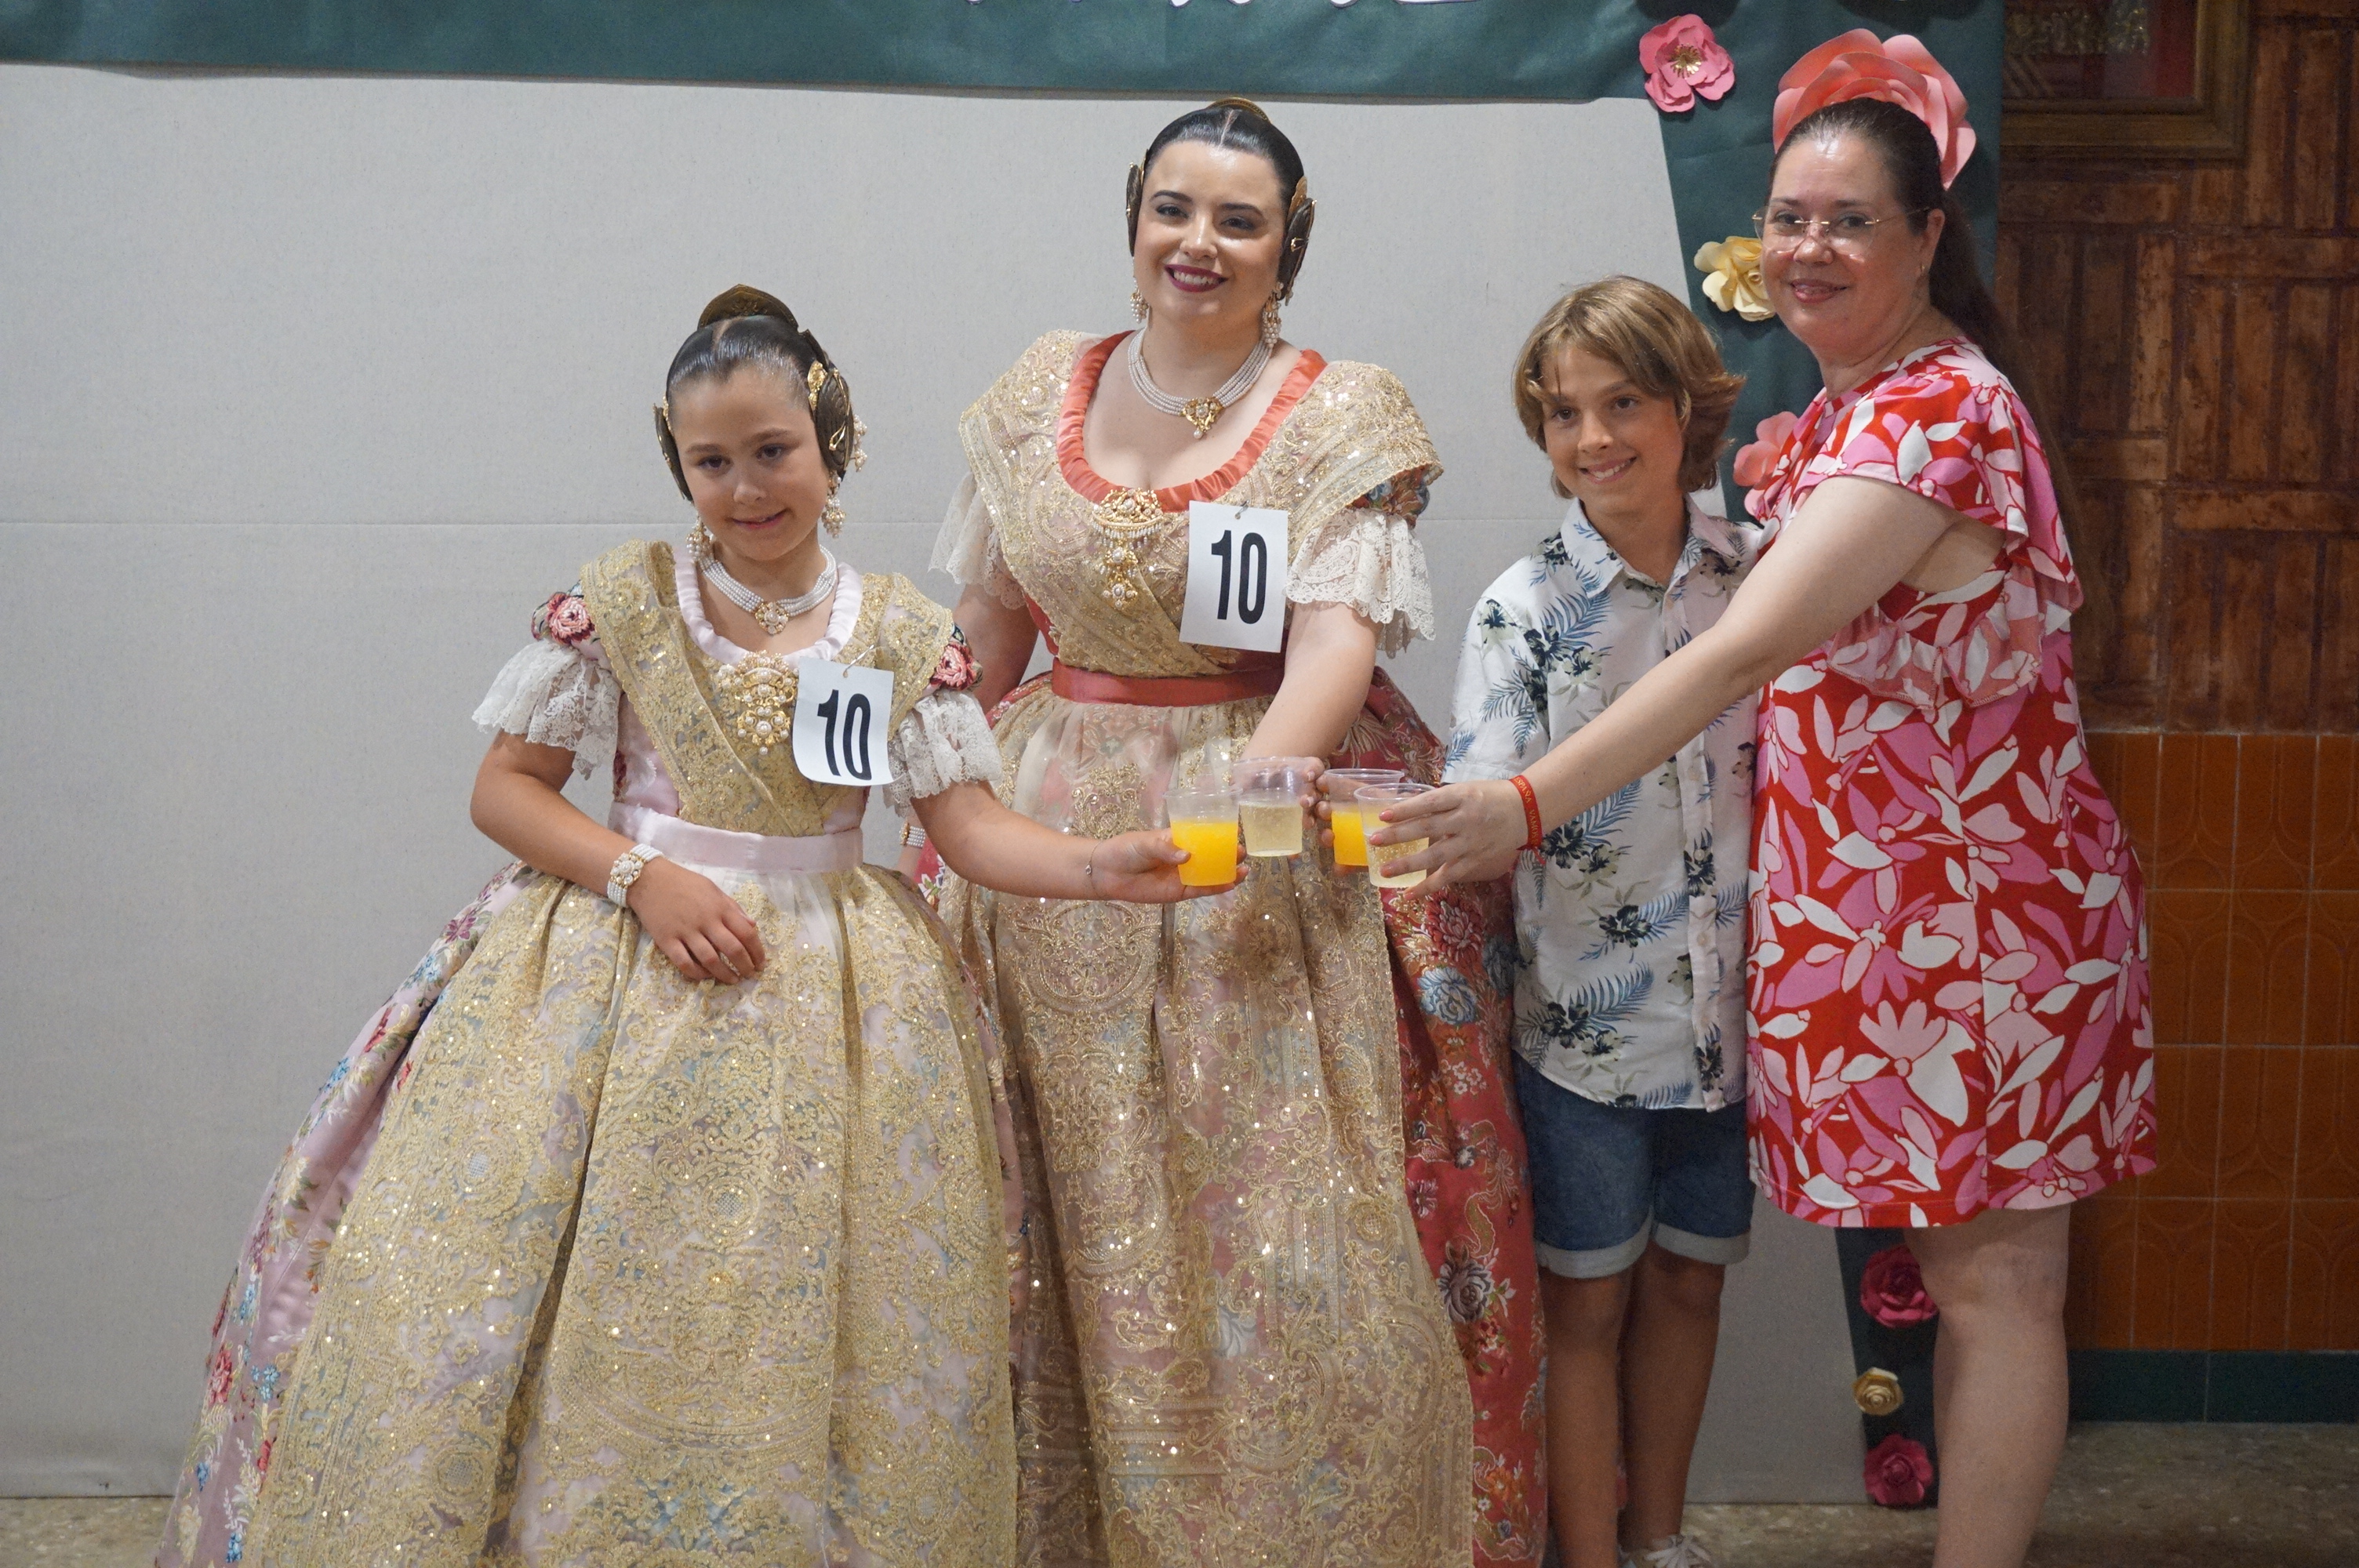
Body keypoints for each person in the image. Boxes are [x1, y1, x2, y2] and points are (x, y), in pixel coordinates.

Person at [155, 286, 1222, 1568]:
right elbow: (505, 790)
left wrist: (1095, 866)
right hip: (615, 976)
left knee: (804, 1295)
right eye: (710, 462)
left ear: (832, 439)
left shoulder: (899, 633)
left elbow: (967, 825)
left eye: (772, 451)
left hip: (834, 1001)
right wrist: (636, 876)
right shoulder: (623, 602)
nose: (744, 488)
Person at [1378, 98, 2154, 1568]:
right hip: (1895, 926)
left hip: (1981, 918)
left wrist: (1522, 804)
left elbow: (1743, 652)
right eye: (1789, 217)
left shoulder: (1936, 412)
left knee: (2000, 1292)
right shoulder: (1852, 414)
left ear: (1928, 237)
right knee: (1973, 1287)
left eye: (1851, 220)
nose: (1809, 246)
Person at [926, 100, 1543, 1566]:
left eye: (1238, 220)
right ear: (1134, 218)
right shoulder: (1035, 391)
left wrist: (1251, 792)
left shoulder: (1343, 416)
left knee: (1259, 1217)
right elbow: (991, 625)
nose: (1198, 242)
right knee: (1052, 1200)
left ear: (1288, 246)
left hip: (1254, 827)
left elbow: (1333, 642)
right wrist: (922, 756)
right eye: (1174, 209)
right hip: (1042, 835)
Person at [1444, 278, 1752, 1568]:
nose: (1593, 438)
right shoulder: (1522, 610)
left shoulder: (1761, 578)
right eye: (1564, 413)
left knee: (1690, 1279)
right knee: (1586, 1303)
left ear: (1687, 407)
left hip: (1734, 1019)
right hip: (1581, 1035)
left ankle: (1657, 1541)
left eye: (1622, 402)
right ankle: (1587, 1554)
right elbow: (1482, 804)